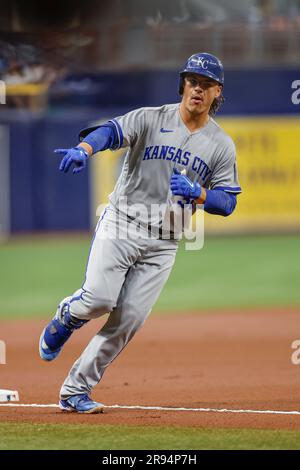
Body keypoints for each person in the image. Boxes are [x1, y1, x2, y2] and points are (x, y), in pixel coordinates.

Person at [39, 52, 242, 414]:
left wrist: (200, 194)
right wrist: (85, 148)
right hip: (122, 222)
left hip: (164, 242)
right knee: (99, 300)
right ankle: (69, 315)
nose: (198, 88)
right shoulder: (151, 118)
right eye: (193, 81)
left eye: (206, 84)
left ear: (217, 92)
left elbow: (227, 203)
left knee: (127, 320)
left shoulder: (221, 145)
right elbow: (110, 132)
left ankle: (74, 391)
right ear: (183, 84)